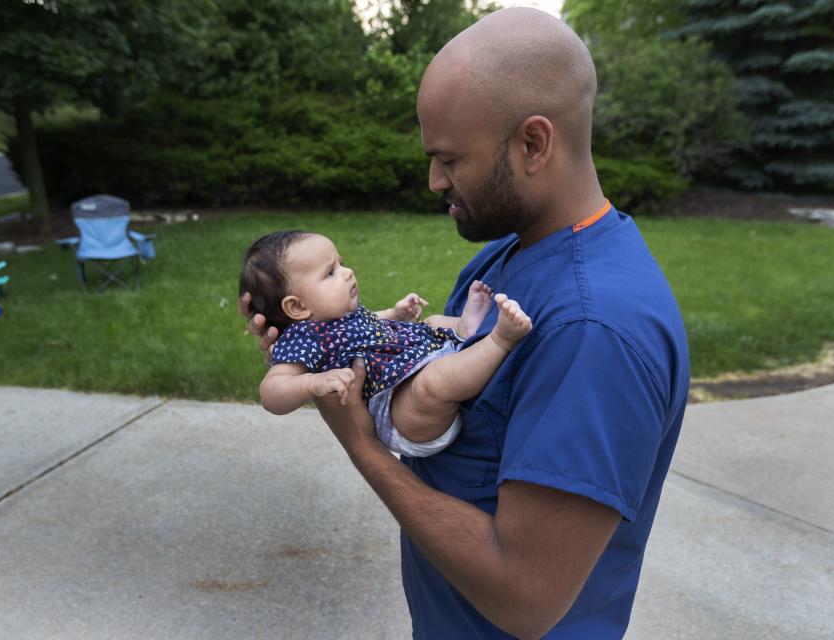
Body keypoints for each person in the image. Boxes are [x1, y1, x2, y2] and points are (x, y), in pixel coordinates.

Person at [239, 7, 690, 639]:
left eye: (449, 158)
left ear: (533, 144)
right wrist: (312, 346)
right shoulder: (510, 251)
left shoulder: (596, 329)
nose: (433, 180)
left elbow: (524, 600)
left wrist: (361, 444)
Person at [239, 229, 533, 457]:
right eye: (330, 272)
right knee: (434, 383)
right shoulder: (303, 339)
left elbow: (369, 323)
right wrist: (312, 383)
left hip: (407, 365)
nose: (347, 272)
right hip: (397, 412)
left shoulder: (340, 315)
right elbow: (271, 392)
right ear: (297, 307)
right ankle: (500, 340)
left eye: (342, 263)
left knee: (432, 322)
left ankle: (465, 329)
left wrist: (396, 313)